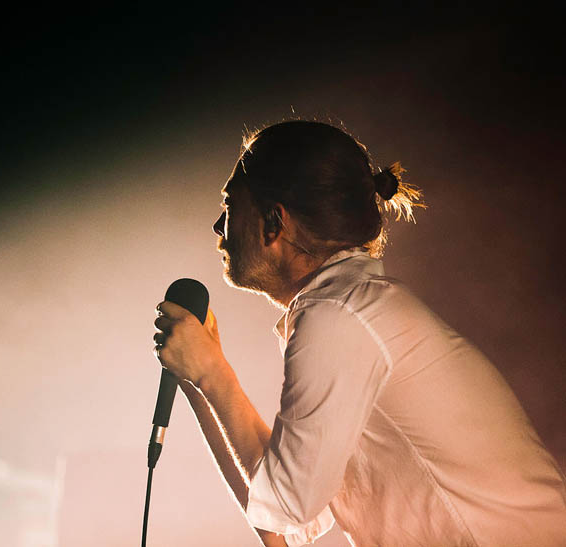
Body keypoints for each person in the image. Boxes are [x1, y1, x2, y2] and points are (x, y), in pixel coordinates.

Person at [152, 121, 566, 546]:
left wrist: (212, 376)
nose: (218, 227)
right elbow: (286, 525)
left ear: (274, 222)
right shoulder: (343, 310)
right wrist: (200, 380)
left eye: (229, 205)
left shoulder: (337, 315)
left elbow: (286, 506)